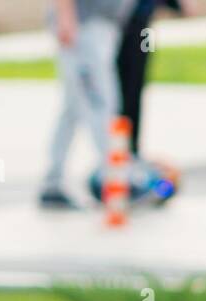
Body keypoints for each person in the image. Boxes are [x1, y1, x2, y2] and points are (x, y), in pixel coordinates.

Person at [39, 0, 135, 210]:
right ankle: (117, 178)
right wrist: (65, 18)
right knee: (100, 104)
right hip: (83, 26)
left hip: (100, 25)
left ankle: (52, 182)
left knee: (74, 107)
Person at [116, 0, 193, 158]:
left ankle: (131, 149)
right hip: (128, 24)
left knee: (136, 85)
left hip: (144, 27)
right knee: (126, 91)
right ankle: (124, 150)